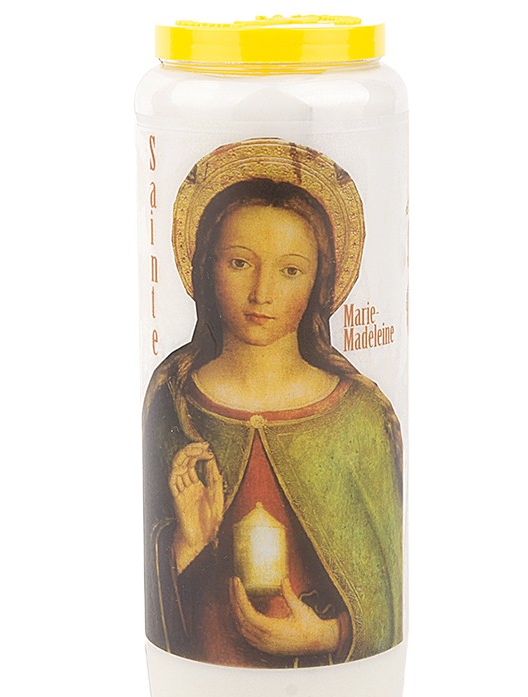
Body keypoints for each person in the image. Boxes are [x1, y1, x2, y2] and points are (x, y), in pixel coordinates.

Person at [143, 140, 403, 668]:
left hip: (334, 693)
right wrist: (186, 543)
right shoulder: (175, 400)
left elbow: (388, 586)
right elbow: (149, 580)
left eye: (289, 270)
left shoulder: (358, 416)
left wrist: (327, 635)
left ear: (318, 281)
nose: (261, 292)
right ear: (207, 265)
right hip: (204, 683)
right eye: (240, 262)